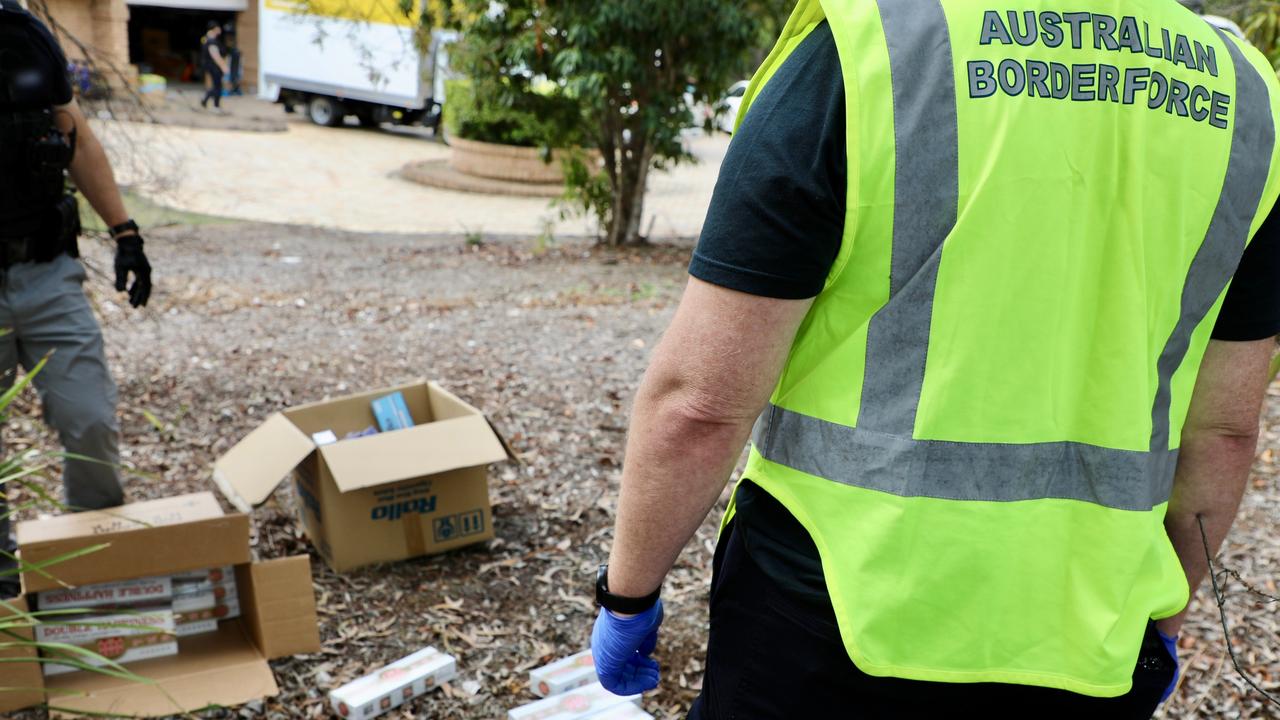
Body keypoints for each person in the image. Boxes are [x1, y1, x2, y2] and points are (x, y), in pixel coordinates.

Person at [589, 2, 1280, 718]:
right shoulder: (1245, 96)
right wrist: (1162, 624)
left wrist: (628, 596)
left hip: (828, 622)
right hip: (1087, 637)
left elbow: (700, 403)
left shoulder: (875, 43)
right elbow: (1225, 432)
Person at [0, 0, 152, 591]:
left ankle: (91, 567)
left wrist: (126, 235)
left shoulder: (22, 35)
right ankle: (9, 588)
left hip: (47, 272)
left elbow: (76, 137)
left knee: (90, 420)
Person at [199, 21, 229, 110]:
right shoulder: (212, 41)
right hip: (214, 66)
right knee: (218, 86)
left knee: (216, 86)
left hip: (210, 66)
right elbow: (215, 56)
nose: (220, 30)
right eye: (218, 28)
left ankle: (205, 100)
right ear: (214, 29)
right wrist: (223, 66)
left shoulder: (206, 39)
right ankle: (216, 106)